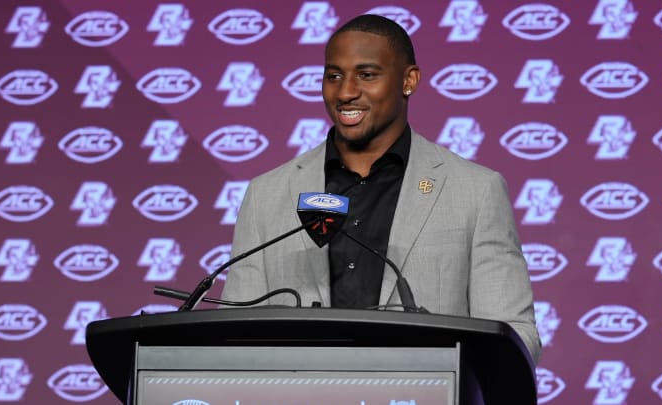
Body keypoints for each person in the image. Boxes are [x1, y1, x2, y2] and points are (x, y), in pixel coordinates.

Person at [220, 14, 541, 363]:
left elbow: (514, 336)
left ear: (409, 80)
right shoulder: (267, 195)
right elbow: (236, 334)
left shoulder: (475, 192)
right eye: (334, 76)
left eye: (367, 75)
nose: (345, 92)